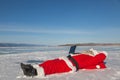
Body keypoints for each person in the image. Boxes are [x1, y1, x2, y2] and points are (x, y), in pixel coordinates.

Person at [21, 48, 108, 78]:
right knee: (49, 62)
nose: (88, 51)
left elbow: (100, 59)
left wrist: (103, 53)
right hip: (66, 59)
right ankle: (32, 67)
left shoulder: (93, 59)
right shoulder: (84, 54)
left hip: (70, 65)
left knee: (53, 67)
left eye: (90, 51)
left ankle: (34, 72)